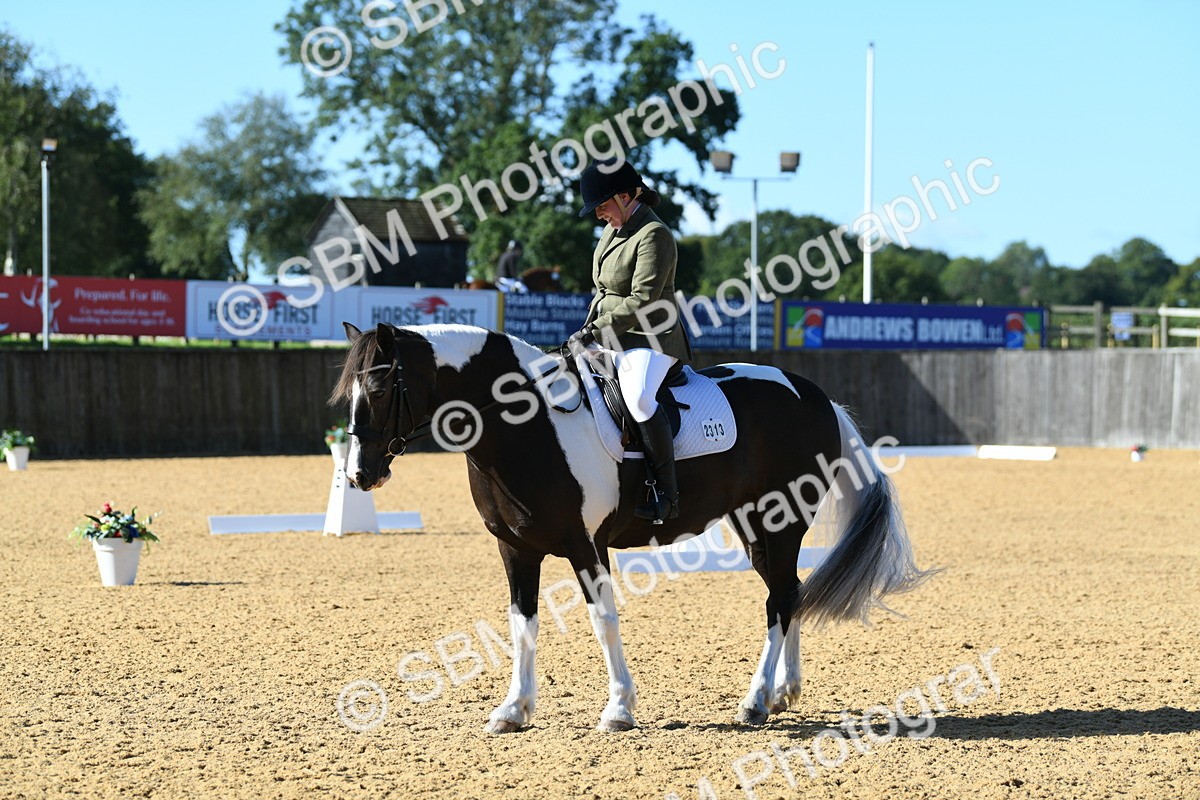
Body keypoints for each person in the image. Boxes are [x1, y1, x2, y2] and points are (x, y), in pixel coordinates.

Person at [567, 158, 692, 522]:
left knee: (637, 398)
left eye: (602, 206)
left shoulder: (654, 234)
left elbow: (643, 300)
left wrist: (595, 330)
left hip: (650, 339)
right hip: (608, 332)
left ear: (625, 195)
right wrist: (586, 330)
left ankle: (668, 495)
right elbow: (603, 292)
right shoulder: (613, 230)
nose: (598, 215)